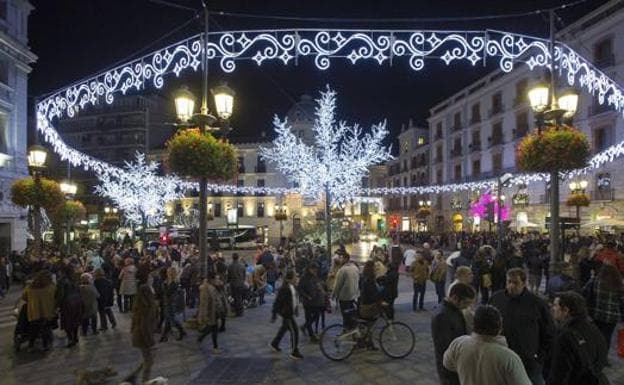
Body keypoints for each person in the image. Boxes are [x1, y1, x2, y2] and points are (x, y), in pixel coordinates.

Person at [489, 268, 555, 385]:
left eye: (515, 283)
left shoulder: (537, 303)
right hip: (500, 356)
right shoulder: (496, 299)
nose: (511, 286)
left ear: (524, 283)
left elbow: (549, 332)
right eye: (509, 282)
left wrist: (540, 357)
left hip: (528, 360)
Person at [443, 305, 532, 385]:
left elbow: (447, 364)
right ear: (499, 327)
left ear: (474, 325)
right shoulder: (508, 357)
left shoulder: (459, 343)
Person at [548, 291, 608, 385]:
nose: (552, 308)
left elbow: (559, 374)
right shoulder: (593, 328)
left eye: (555, 305)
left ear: (566, 310)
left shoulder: (565, 337)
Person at [431, 283, 476, 385]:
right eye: (466, 303)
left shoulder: (454, 309)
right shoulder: (442, 316)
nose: (467, 306)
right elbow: (445, 347)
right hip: (450, 368)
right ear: (455, 298)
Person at [583, 263, 623, 356]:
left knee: (595, 335)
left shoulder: (595, 281)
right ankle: (603, 356)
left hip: (596, 314)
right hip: (612, 316)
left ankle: (594, 355)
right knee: (607, 337)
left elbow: (584, 292)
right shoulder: (619, 284)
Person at [128, 284, 158, 383]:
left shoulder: (138, 304)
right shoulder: (148, 308)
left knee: (147, 359)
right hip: (144, 337)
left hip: (138, 335)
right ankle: (144, 381)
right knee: (149, 361)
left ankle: (134, 376)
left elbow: (134, 322)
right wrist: (151, 342)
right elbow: (145, 327)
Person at [270, 270, 303, 360]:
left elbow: (294, 299)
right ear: (290, 278)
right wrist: (274, 314)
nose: (296, 278)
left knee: (284, 328)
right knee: (295, 331)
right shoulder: (284, 288)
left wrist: (295, 309)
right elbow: (277, 302)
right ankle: (294, 351)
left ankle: (275, 343)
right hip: (286, 314)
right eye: (295, 277)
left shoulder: (292, 287)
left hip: (289, 312)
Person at [21, 270, 56, 351]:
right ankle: (45, 345)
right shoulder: (51, 287)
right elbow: (56, 297)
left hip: (34, 313)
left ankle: (31, 345)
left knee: (33, 330)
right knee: (46, 329)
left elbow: (24, 298)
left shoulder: (30, 287)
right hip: (47, 312)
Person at [332, 252, 360, 330]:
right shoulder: (355, 268)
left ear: (345, 259)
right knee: (351, 312)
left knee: (345, 313)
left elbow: (338, 284)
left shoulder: (343, 270)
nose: (339, 259)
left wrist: (333, 294)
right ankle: (352, 328)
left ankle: (346, 328)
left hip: (344, 296)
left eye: (341, 258)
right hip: (354, 295)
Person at [297, 262, 325, 342]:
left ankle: (304, 326)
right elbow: (300, 289)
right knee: (308, 318)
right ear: (309, 269)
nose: (315, 271)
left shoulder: (315, 276)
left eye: (316, 269)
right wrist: (307, 296)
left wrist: (321, 290)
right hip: (307, 301)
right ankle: (312, 336)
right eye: (314, 269)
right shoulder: (304, 278)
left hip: (316, 300)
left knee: (316, 315)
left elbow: (318, 285)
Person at [197, 272, 222, 353]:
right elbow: (205, 303)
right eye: (216, 279)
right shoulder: (207, 289)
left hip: (214, 312)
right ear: (212, 280)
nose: (218, 280)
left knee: (212, 327)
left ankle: (201, 337)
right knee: (214, 328)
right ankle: (215, 347)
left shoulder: (213, 287)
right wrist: (205, 315)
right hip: (211, 312)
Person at [160, 267, 187, 342]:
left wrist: (164, 285)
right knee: (168, 320)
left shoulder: (173, 283)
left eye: (168, 272)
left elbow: (167, 293)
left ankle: (181, 331)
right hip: (168, 302)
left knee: (172, 319)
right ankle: (164, 336)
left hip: (171, 303)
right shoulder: (170, 282)